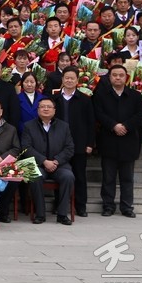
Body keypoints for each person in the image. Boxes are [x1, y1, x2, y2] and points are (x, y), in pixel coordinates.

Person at [93, 65, 142, 218]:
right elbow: (98, 113)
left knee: (127, 178)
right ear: (109, 77)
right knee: (108, 177)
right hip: (108, 140)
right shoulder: (102, 95)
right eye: (114, 75)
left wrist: (125, 126)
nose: (117, 78)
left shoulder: (135, 95)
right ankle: (108, 206)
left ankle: (127, 207)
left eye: (121, 75)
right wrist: (113, 125)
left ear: (126, 77)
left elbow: (140, 115)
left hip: (129, 141)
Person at [20, 98, 76, 225]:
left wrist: (56, 161)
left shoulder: (64, 126)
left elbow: (70, 148)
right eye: (42, 106)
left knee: (68, 177)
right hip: (38, 164)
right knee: (34, 176)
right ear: (38, 110)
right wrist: (44, 161)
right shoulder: (29, 126)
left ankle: (62, 214)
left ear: (54, 110)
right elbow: (26, 148)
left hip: (59, 165)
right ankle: (40, 214)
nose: (46, 109)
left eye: (49, 107)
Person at [51, 66, 95, 218]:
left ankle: (80, 206)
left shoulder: (84, 99)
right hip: (58, 145)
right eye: (67, 78)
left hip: (79, 144)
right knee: (59, 175)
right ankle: (59, 204)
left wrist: (90, 144)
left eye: (72, 78)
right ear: (62, 79)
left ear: (77, 81)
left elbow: (91, 123)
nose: (69, 80)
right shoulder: (54, 99)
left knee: (79, 176)